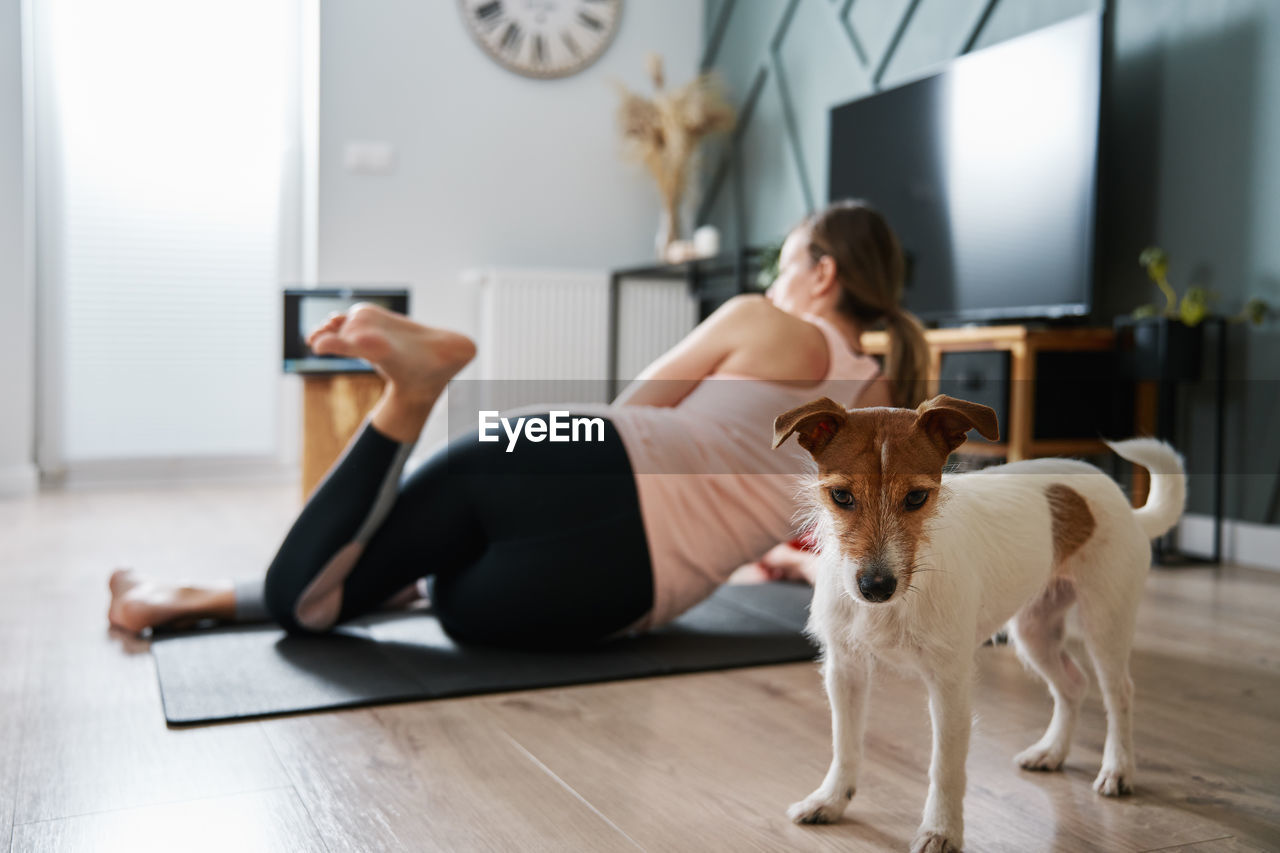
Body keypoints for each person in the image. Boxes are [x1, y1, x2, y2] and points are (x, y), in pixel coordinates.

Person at [108, 200, 931, 646]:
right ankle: (185, 596)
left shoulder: (761, 318)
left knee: (326, 593)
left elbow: (632, 409)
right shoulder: (885, 405)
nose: (774, 280)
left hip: (583, 452)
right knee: (434, 594)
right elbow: (857, 538)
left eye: (783, 264)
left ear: (820, 274)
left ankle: (413, 393)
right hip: (626, 594)